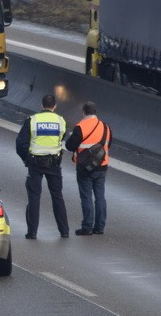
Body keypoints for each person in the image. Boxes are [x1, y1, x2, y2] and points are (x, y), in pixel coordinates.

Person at [15, 94, 70, 239]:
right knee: (57, 196)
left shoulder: (32, 120)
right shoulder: (61, 121)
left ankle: (32, 233)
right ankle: (64, 231)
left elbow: (20, 144)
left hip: (35, 163)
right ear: (55, 106)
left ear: (41, 105)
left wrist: (27, 159)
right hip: (54, 163)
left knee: (34, 197)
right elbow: (61, 138)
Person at [65, 101, 112, 236]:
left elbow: (70, 146)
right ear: (95, 112)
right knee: (100, 197)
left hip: (84, 168)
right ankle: (100, 227)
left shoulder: (80, 127)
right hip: (102, 166)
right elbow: (109, 144)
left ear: (83, 112)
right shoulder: (105, 127)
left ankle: (87, 227)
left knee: (86, 197)